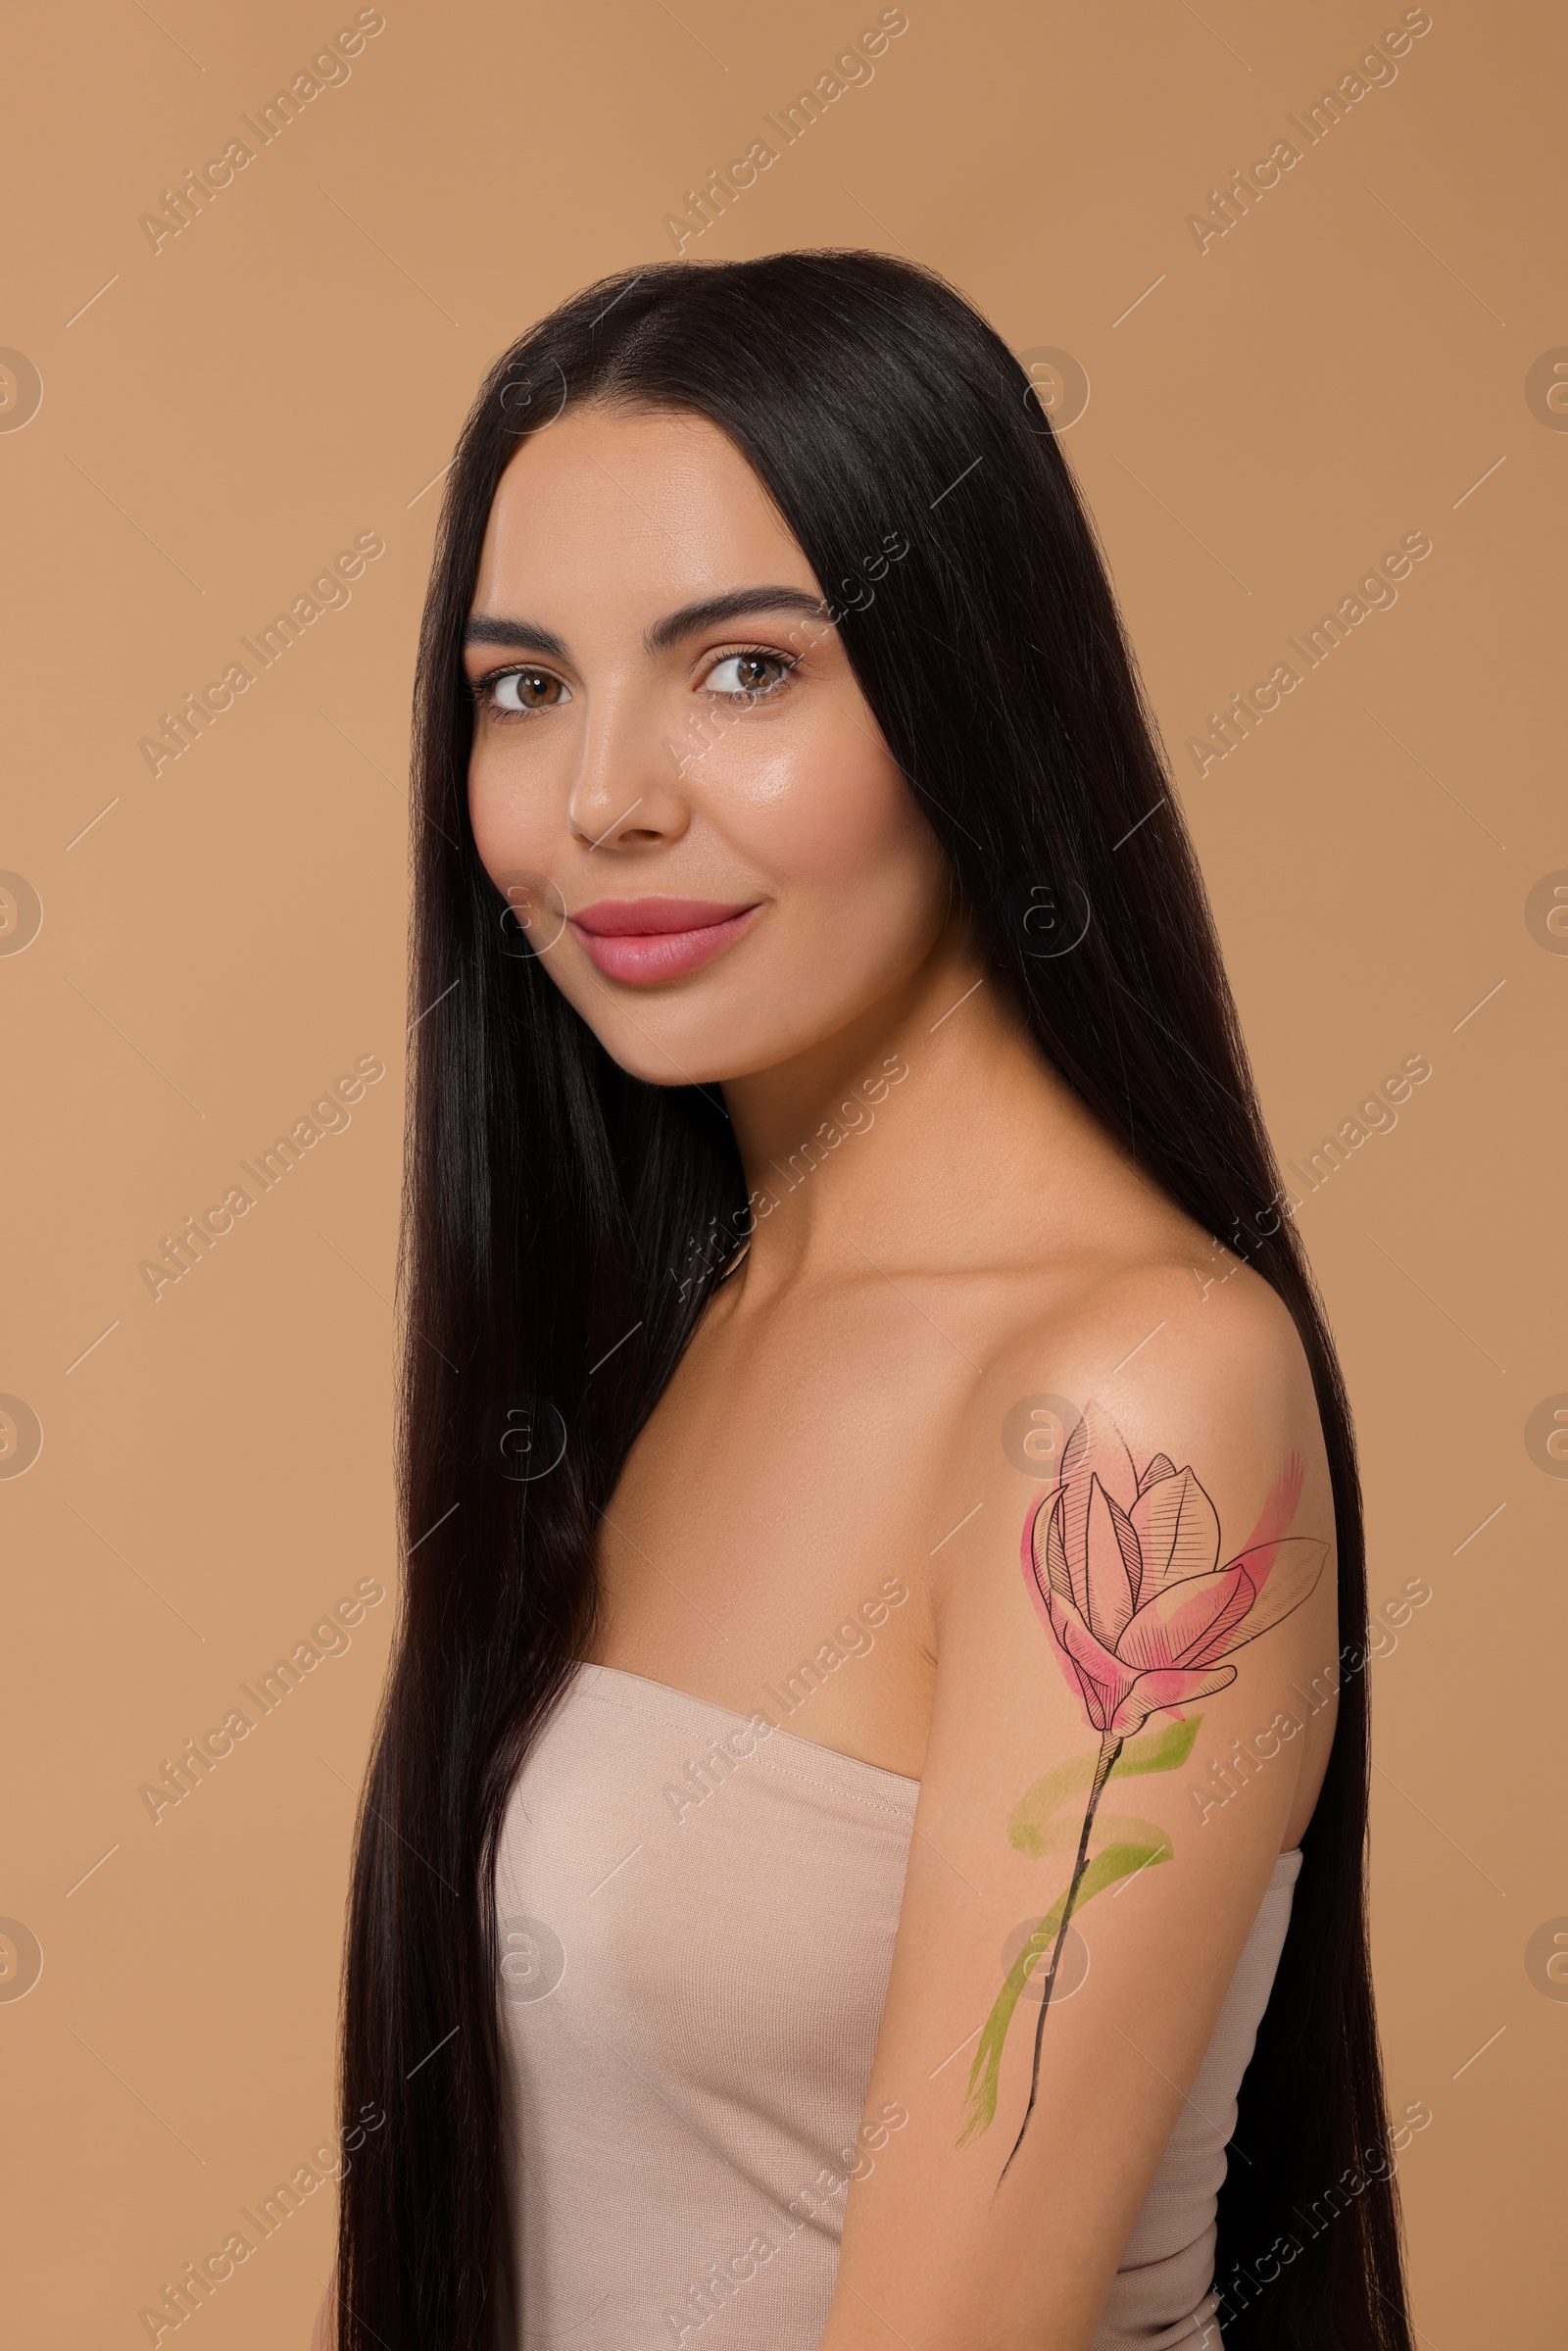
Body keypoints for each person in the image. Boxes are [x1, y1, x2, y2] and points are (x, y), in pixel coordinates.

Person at [319, 252, 1412, 2350]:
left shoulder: (1130, 1400)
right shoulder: (677, 1332)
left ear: (970, 696)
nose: (604, 800)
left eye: (744, 671)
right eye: (521, 687)